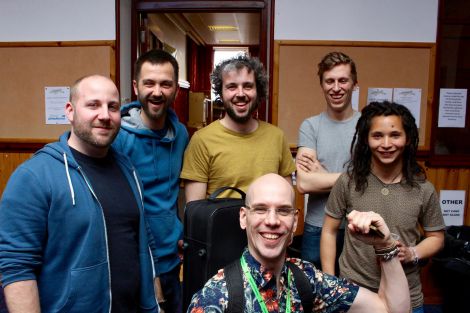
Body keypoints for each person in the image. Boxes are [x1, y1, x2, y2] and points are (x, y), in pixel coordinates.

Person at [0, 75, 159, 313]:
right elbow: (16, 267)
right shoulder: (34, 176)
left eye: (112, 107)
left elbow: (144, 242)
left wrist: (157, 303)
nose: (105, 115)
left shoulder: (128, 169)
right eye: (93, 105)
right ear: (70, 111)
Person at [187, 173, 410, 313]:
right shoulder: (216, 298)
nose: (272, 221)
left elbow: (392, 310)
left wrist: (384, 245)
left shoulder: (306, 278)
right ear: (244, 218)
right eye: (261, 209)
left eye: (283, 211)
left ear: (295, 221)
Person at [322, 101, 445, 313]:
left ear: (407, 139)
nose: (386, 144)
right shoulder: (348, 181)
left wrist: (413, 252)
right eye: (377, 135)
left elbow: (437, 237)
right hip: (354, 294)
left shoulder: (423, 189)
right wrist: (329, 282)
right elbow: (329, 231)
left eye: (395, 135)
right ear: (366, 140)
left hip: (407, 296)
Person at [113, 49, 188, 313]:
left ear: (176, 89)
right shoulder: (117, 137)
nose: (157, 91)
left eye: (165, 84)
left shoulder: (180, 134)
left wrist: (179, 230)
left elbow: (173, 195)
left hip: (171, 260)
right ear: (136, 86)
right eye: (149, 83)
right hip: (131, 261)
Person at [180, 55, 295, 201]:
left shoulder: (277, 137)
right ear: (221, 93)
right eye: (232, 87)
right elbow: (195, 211)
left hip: (268, 222)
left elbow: (287, 200)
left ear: (258, 90)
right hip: (221, 223)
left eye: (248, 86)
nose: (240, 94)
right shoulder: (202, 140)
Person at [296, 52, 360, 270]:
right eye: (329, 81)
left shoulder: (368, 126)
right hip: (317, 225)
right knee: (312, 296)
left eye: (343, 80)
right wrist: (352, 178)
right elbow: (304, 183)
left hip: (357, 226)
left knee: (356, 298)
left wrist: (322, 174)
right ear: (322, 85)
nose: (336, 87)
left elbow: (370, 183)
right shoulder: (310, 126)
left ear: (354, 84)